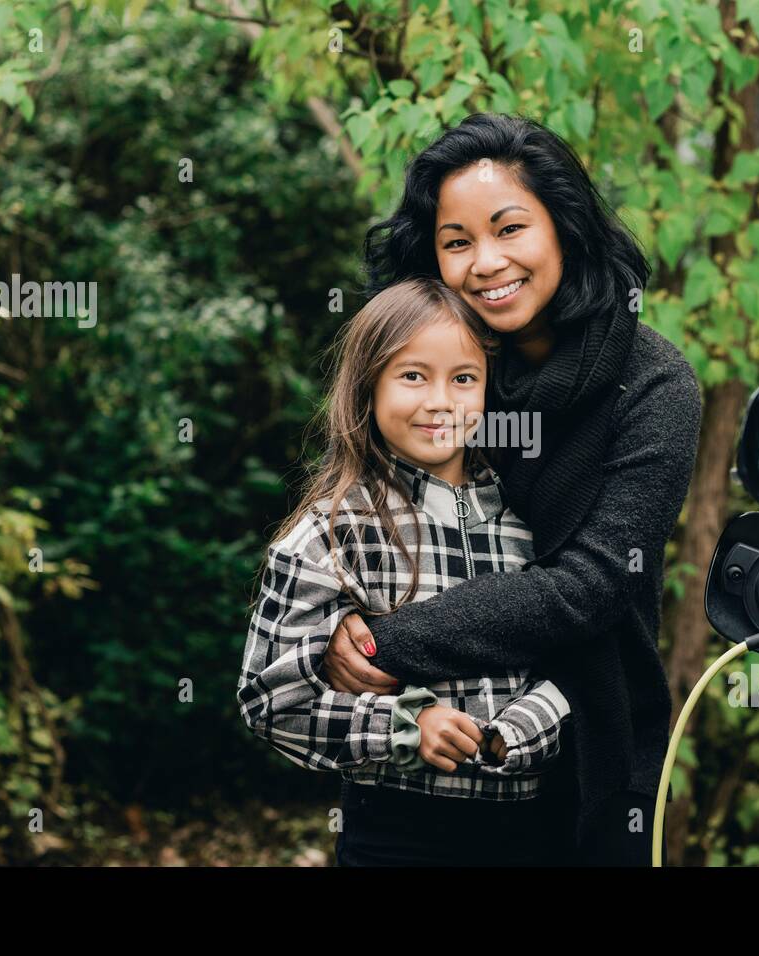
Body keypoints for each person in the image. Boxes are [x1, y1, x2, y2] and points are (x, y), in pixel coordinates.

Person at [322, 112, 703, 866]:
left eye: (510, 229)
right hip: (418, 757)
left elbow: (592, 585)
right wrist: (337, 619)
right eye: (456, 242)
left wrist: (390, 641)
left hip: (587, 750)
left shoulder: (654, 386)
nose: (485, 262)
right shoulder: (436, 374)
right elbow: (355, 506)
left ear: (564, 228)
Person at [237, 277, 574, 866]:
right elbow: (270, 700)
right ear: (369, 387)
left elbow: (577, 662)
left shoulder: (532, 518)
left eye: (463, 378)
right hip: (397, 834)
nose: (440, 400)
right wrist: (404, 728)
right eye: (413, 376)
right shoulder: (331, 534)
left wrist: (513, 733)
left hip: (533, 831)